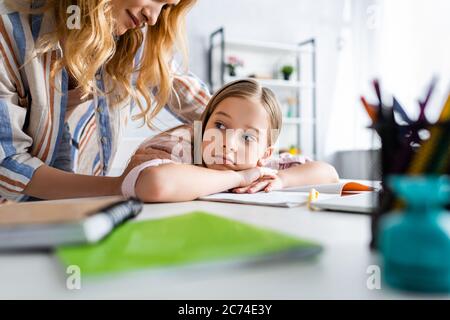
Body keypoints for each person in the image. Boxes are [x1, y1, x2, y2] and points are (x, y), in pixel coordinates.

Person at [0, 0, 210, 201]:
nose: (153, 18)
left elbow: (189, 94)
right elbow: (6, 163)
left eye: (165, 7)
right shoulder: (9, 29)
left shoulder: (130, 38)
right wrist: (118, 186)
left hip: (80, 203)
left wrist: (239, 137)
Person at [121, 79, 339, 202]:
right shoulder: (182, 147)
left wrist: (282, 180)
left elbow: (328, 173)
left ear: (265, 154)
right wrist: (239, 178)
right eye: (220, 126)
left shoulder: (262, 169)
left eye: (247, 137)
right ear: (204, 125)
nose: (229, 143)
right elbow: (154, 184)